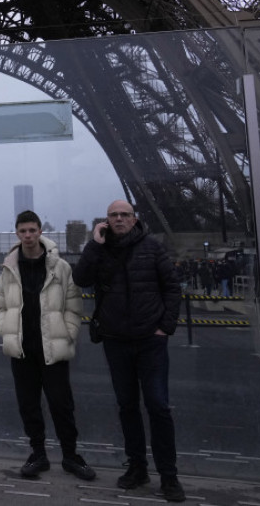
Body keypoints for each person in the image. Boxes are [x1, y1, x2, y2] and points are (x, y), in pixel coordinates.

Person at [73, 200, 184, 503]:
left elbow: (173, 288)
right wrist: (93, 245)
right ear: (105, 221)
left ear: (134, 220)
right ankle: (137, 467)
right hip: (115, 340)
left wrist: (165, 328)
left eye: (125, 215)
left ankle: (169, 475)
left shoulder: (153, 247)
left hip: (151, 340)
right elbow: (80, 279)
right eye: (114, 215)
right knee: (127, 406)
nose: (119, 219)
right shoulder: (101, 248)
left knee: (158, 406)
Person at [0, 210, 94, 481]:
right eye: (23, 231)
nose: (28, 236)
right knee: (28, 405)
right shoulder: (9, 268)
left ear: (40, 232)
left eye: (32, 230)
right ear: (17, 233)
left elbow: (74, 305)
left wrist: (68, 332)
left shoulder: (60, 267)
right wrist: (6, 330)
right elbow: (0, 305)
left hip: (52, 345)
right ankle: (38, 454)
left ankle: (70, 456)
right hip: (23, 347)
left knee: (61, 404)